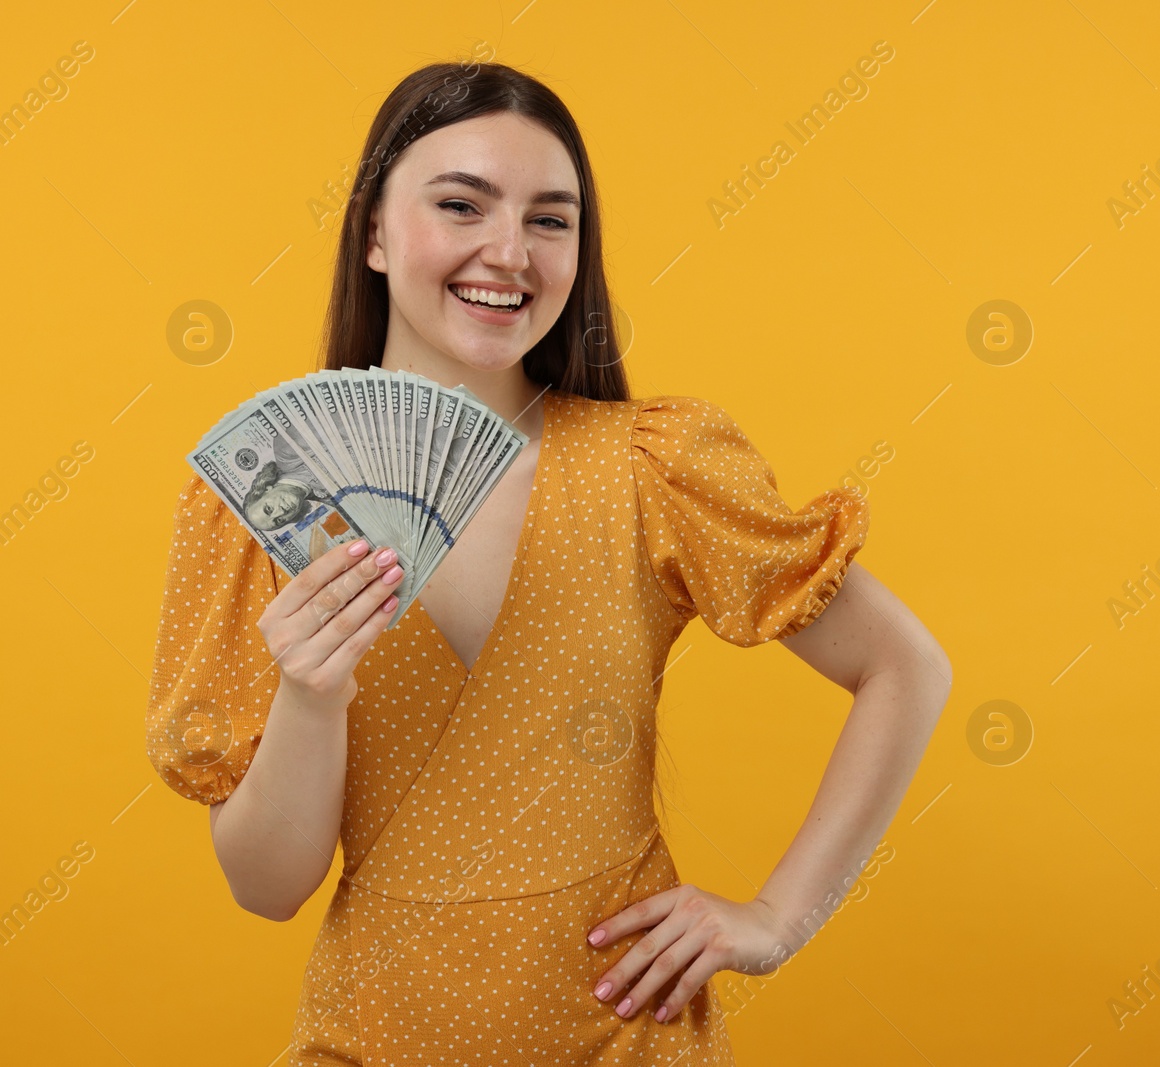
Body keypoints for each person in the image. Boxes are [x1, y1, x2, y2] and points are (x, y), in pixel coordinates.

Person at [144, 57, 951, 1066]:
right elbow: (267, 888)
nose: (508, 252)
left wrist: (776, 916)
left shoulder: (650, 469)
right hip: (374, 1037)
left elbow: (905, 665)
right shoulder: (262, 507)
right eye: (460, 203)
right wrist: (311, 695)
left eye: (551, 219)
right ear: (376, 234)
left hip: (626, 1038)